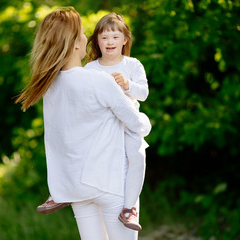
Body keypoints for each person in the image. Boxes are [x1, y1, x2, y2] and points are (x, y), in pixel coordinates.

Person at [15, 7, 151, 240]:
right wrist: (145, 120)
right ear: (75, 43)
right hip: (109, 183)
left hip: (75, 187)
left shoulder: (49, 86)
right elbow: (138, 126)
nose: (85, 38)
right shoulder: (98, 80)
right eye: (82, 33)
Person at [84, 12, 150, 231]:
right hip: (101, 128)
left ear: (125, 40)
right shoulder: (91, 68)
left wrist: (127, 85)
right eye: (104, 37)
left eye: (114, 37)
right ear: (97, 42)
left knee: (138, 156)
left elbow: (144, 94)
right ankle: (64, 192)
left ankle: (129, 209)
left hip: (129, 126)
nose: (109, 42)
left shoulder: (132, 65)